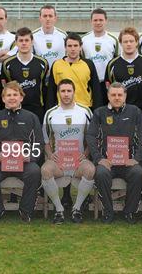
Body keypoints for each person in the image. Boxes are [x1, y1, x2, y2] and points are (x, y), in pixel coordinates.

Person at [0, 81, 44, 222]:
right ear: (3, 99)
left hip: (24, 162)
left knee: (35, 173)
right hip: (0, 163)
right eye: (8, 95)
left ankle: (25, 210)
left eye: (15, 94)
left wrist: (30, 157)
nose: (12, 98)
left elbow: (39, 143)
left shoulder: (31, 118)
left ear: (21, 97)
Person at [86, 83, 142, 224]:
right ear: (108, 96)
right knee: (100, 174)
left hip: (128, 162)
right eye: (113, 95)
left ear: (125, 96)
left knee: (138, 173)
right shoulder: (99, 113)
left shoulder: (135, 111)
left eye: (120, 95)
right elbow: (91, 136)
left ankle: (129, 212)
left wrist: (136, 159)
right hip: (107, 162)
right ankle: (108, 210)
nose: (117, 98)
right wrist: (99, 158)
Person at [42, 79, 95, 224]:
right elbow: (46, 140)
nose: (66, 94)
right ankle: (59, 210)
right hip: (59, 162)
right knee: (45, 170)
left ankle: (76, 209)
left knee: (90, 170)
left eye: (69, 91)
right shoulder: (50, 114)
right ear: (58, 93)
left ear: (74, 92)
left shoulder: (85, 111)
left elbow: (91, 137)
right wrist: (50, 155)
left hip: (78, 161)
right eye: (63, 91)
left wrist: (85, 154)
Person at [105, 27, 142, 120]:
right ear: (120, 43)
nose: (128, 44)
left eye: (131, 41)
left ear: (137, 42)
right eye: (125, 41)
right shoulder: (112, 65)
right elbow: (109, 89)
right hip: (119, 112)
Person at [1, 27, 49, 121]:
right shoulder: (7, 64)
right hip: (15, 109)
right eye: (21, 40)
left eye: (27, 40)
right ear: (16, 43)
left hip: (37, 109)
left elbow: (45, 87)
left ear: (32, 42)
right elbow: (5, 89)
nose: (24, 43)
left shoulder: (43, 63)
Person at [47, 32, 102, 110]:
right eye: (69, 46)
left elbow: (96, 90)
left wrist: (97, 112)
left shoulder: (88, 64)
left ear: (80, 47)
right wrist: (50, 110)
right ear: (65, 47)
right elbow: (51, 92)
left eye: (75, 46)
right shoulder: (57, 64)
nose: (73, 49)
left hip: (84, 107)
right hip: (62, 108)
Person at [81, 8, 120, 102]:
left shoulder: (113, 40)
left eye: (101, 20)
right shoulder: (84, 40)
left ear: (106, 21)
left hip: (107, 83)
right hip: (89, 82)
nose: (98, 22)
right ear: (91, 21)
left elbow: (117, 61)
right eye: (95, 20)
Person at [32, 5, 67, 69]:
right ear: (40, 18)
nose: (47, 19)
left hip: (59, 73)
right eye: (45, 16)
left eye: (50, 16)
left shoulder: (63, 35)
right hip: (41, 75)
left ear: (55, 18)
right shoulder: (32, 35)